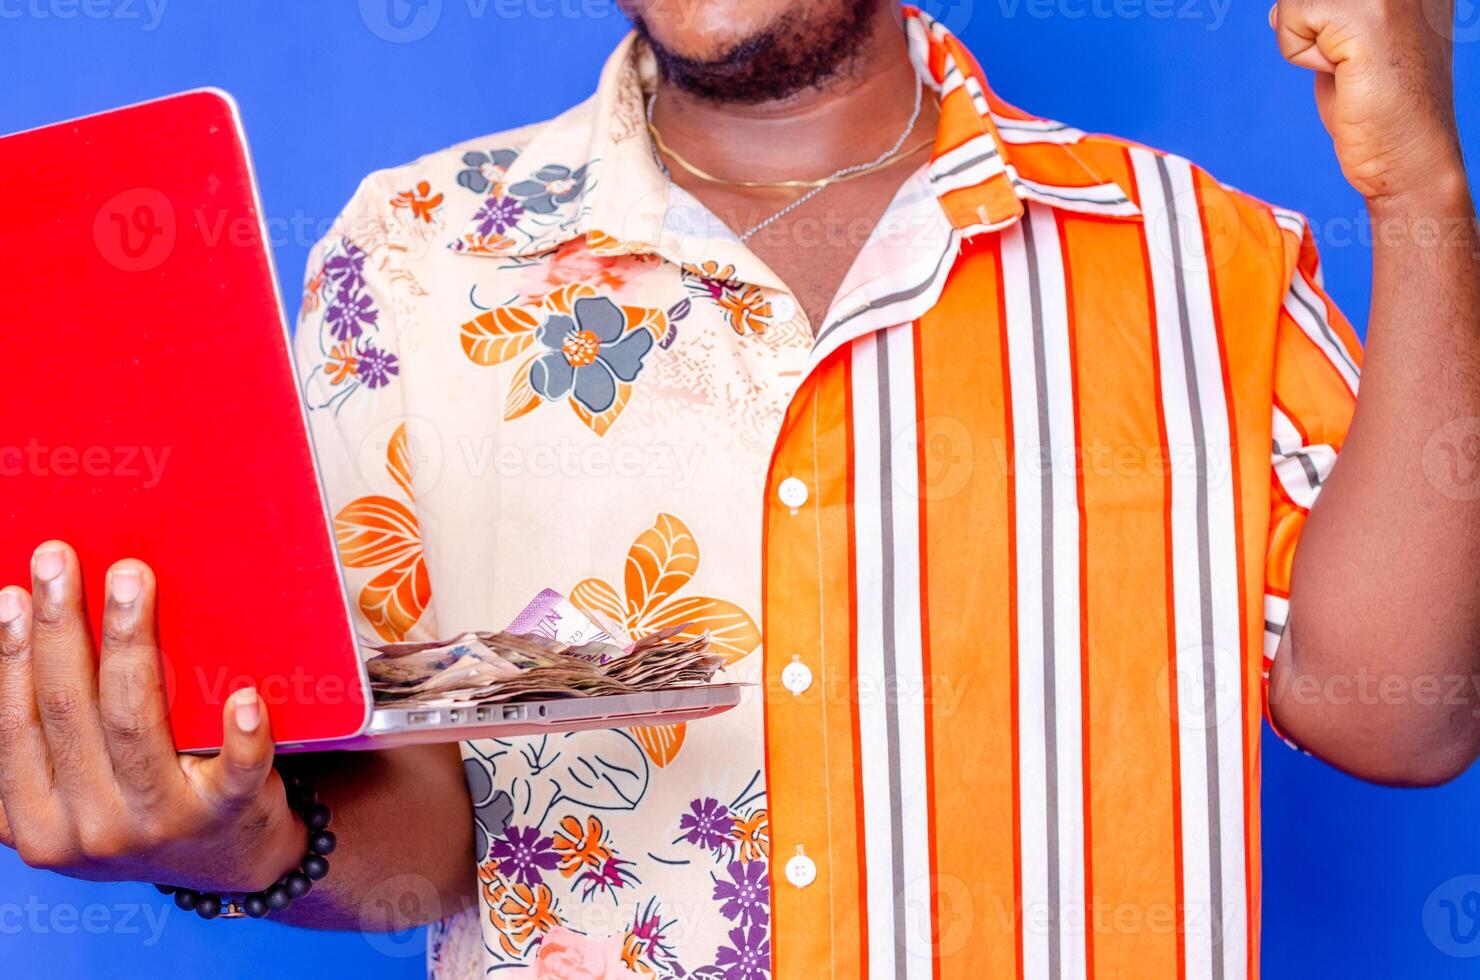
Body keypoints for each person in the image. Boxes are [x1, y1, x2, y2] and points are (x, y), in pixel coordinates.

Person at [1, 1, 1475, 976]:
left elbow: (1405, 718)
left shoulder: (1188, 255)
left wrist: (1419, 201)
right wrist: (245, 838)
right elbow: (424, 817)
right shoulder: (411, 261)